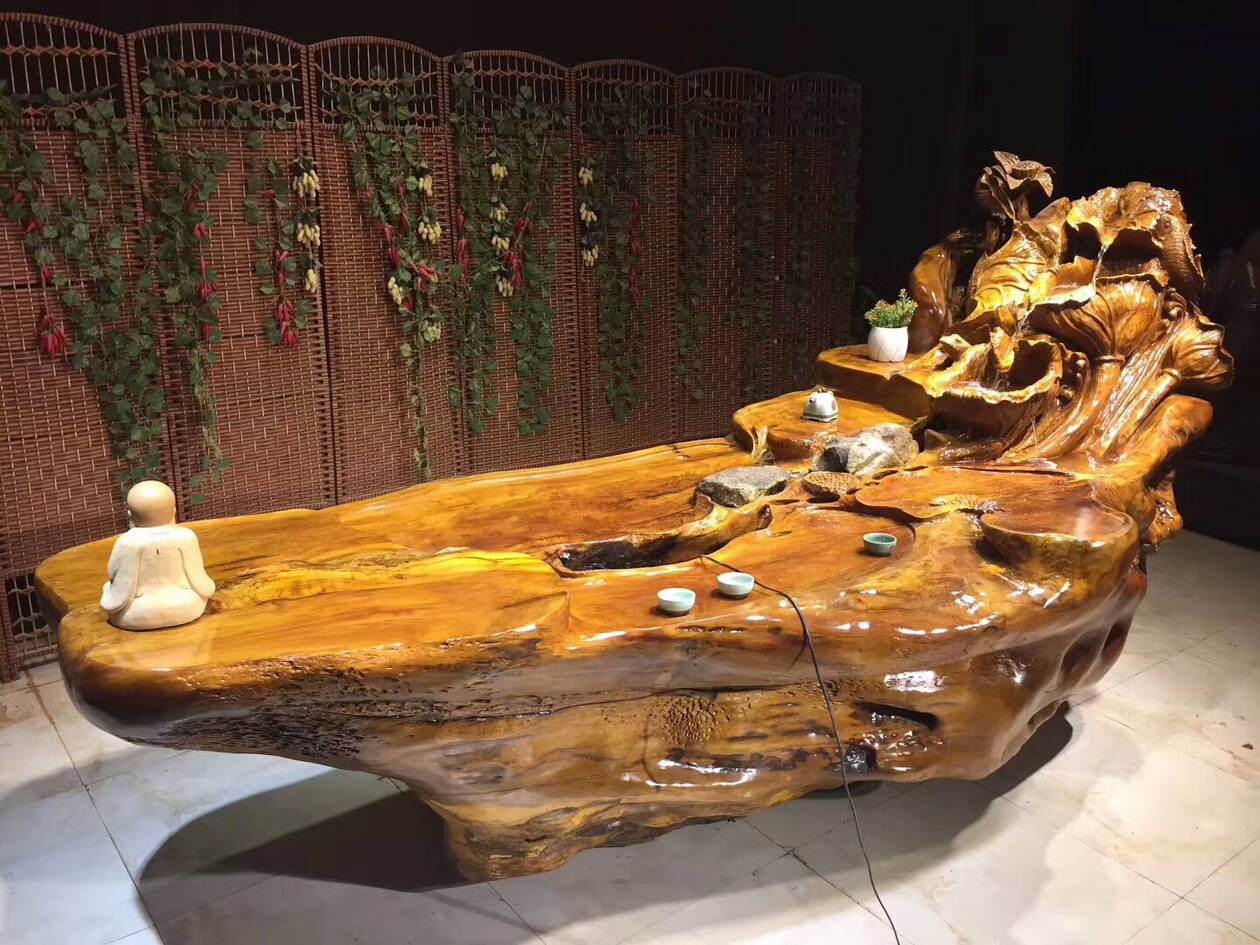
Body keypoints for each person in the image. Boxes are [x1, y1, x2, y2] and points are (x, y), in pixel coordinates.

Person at [99, 480, 215, 630]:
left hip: (137, 611)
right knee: (195, 597)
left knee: (109, 588)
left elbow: (113, 572)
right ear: (174, 513)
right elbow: (197, 574)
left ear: (130, 516)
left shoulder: (127, 542)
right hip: (185, 605)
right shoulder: (186, 536)